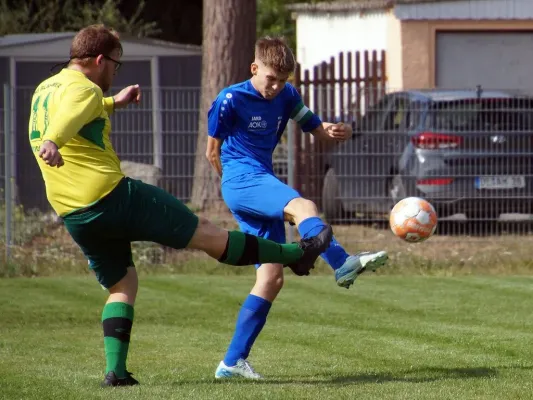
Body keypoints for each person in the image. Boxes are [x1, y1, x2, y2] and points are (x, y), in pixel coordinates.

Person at [28, 25, 333, 388]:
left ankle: (117, 372)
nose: (115, 72)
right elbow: (68, 117)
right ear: (99, 60)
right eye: (116, 65)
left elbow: (71, 110)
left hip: (74, 213)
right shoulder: (84, 88)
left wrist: (113, 103)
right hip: (111, 195)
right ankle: (293, 253)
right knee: (206, 234)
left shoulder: (46, 89)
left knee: (122, 283)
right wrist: (52, 140)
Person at [206, 36, 389, 379]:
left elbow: (314, 128)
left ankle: (231, 363)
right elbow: (211, 152)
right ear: (254, 68)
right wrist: (234, 184)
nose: (275, 86)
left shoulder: (287, 95)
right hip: (242, 181)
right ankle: (341, 263)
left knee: (271, 278)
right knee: (304, 205)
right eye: (270, 78)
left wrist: (335, 131)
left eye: (282, 80)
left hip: (259, 180)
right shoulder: (230, 98)